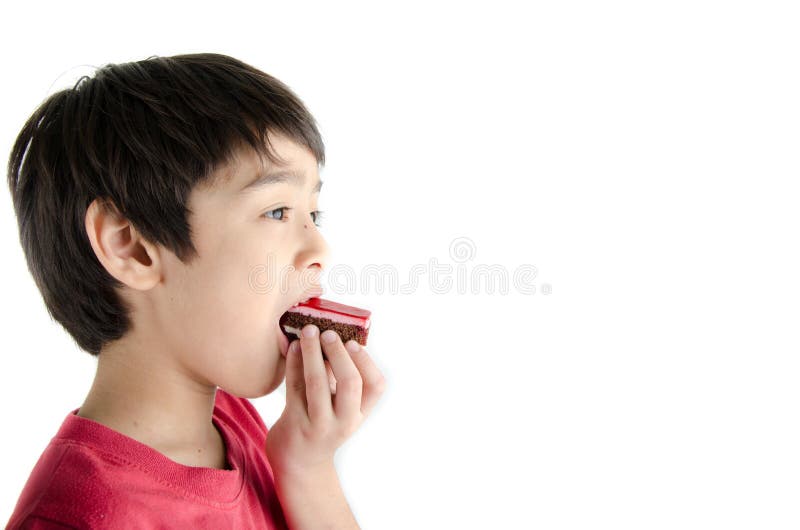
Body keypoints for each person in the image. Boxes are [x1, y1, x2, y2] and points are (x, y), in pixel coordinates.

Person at [4, 53, 385, 529]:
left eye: (314, 214)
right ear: (132, 248)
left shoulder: (237, 427)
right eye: (277, 212)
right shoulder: (77, 519)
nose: (319, 249)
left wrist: (307, 469)